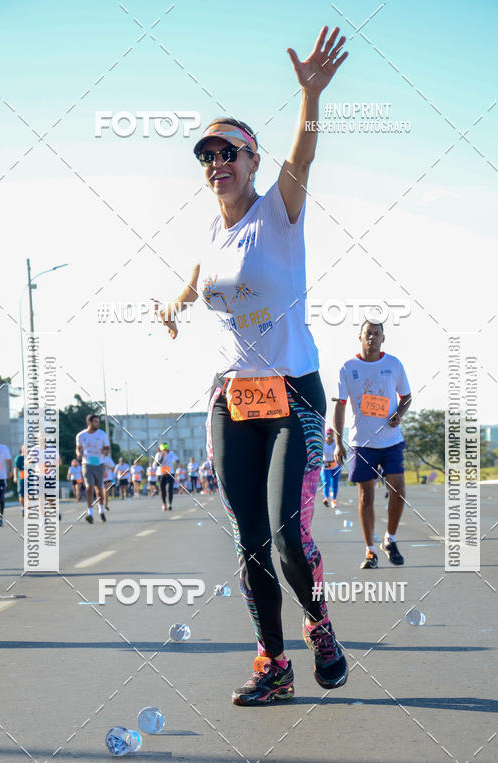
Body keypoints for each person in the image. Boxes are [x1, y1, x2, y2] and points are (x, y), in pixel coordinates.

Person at [158, 26, 349, 705]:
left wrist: (311, 99)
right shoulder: (210, 231)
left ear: (252, 159)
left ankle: (319, 624)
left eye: (228, 151)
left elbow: (304, 153)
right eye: (207, 154)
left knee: (290, 537)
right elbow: (201, 274)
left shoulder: (279, 212)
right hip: (230, 399)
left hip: (293, 393)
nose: (216, 161)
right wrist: (176, 301)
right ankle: (274, 661)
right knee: (247, 541)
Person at [334, 321, 412, 570]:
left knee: (398, 490)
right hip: (362, 443)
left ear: (383, 338)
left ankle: (390, 539)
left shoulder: (393, 364)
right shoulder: (348, 368)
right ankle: (370, 551)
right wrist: (338, 442)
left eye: (376, 334)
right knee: (366, 496)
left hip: (391, 441)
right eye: (368, 334)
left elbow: (406, 396)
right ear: (360, 337)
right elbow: (340, 404)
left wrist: (399, 413)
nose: (372, 338)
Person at [75, 413, 110, 523]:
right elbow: (78, 448)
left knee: (99, 490)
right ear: (90, 423)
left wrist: (104, 451)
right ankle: (90, 513)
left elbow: (108, 449)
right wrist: (79, 454)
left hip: (99, 464)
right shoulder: (81, 436)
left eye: (98, 422)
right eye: (96, 422)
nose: (98, 424)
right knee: (89, 487)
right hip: (87, 464)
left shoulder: (102, 434)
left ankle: (101, 510)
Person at [154, 443, 178, 511]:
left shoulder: (171, 453)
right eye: (163, 449)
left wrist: (176, 462)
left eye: (166, 449)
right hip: (161, 474)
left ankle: (170, 504)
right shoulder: (158, 454)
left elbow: (177, 460)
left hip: (170, 474)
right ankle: (164, 504)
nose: (165, 450)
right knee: (162, 490)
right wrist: (162, 456)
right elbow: (158, 464)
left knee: (169, 489)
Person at [321, 427, 341, 508]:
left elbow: (340, 454)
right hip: (326, 465)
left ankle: (334, 500)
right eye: (328, 433)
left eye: (331, 433)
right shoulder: (323, 443)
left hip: (335, 465)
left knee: (335, 484)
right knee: (326, 482)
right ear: (326, 434)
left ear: (333, 435)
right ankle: (326, 498)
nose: (329, 435)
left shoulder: (336, 443)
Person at [13, 444, 26, 516]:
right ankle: (23, 508)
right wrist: (15, 476)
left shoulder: (31, 457)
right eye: (24, 448)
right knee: (21, 494)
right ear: (21, 449)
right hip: (21, 478)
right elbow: (15, 468)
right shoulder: (19, 458)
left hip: (30, 478)